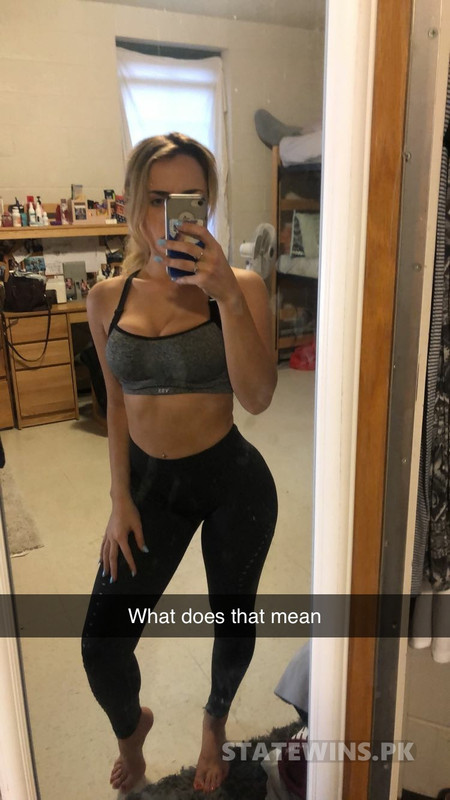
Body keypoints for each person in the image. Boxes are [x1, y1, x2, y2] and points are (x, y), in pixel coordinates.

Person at [81, 132, 278, 795]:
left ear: (208, 203)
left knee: (233, 617)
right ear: (134, 202)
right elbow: (115, 404)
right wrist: (119, 499)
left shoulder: (242, 287)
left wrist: (226, 297)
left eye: (187, 198)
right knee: (101, 644)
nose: (170, 215)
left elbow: (257, 397)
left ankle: (214, 723)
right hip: (149, 488)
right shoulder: (106, 298)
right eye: (155, 198)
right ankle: (131, 731)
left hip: (232, 483)